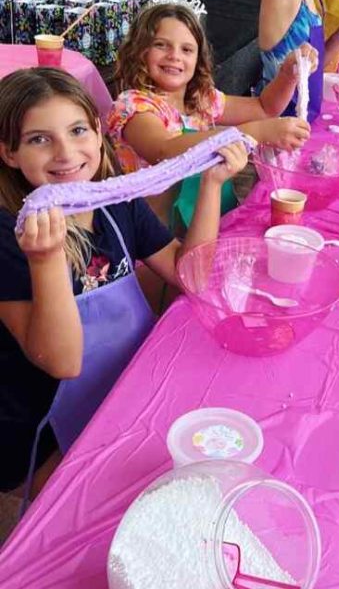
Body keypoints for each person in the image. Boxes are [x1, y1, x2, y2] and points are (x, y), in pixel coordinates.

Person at [0, 68, 248, 494]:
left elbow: (191, 277)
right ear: (9, 153)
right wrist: (45, 259)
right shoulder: (11, 238)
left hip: (124, 390)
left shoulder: (118, 204)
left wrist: (211, 185)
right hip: (42, 432)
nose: (65, 152)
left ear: (98, 134)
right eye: (39, 139)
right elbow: (63, 362)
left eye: (78, 130)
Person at [109, 2, 312, 225]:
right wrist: (248, 133)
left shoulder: (201, 100)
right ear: (140, 52)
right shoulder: (134, 106)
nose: (174, 56)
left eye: (186, 49)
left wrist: (287, 75)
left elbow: (264, 108)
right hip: (156, 239)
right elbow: (164, 150)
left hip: (206, 218)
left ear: (198, 60)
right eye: (161, 45)